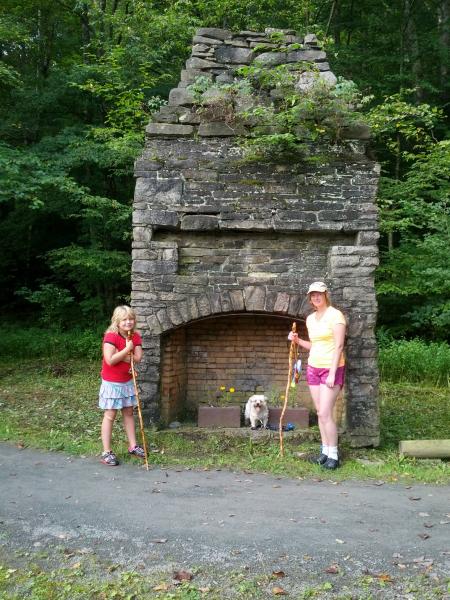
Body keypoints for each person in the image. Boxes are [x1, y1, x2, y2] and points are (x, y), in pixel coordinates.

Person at [289, 282, 346, 469]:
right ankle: (325, 452)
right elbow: (315, 345)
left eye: (319, 294)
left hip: (332, 369)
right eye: (313, 295)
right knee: (320, 413)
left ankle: (334, 455)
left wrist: (331, 373)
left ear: (325, 294)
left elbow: (338, 346)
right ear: (310, 298)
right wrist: (297, 341)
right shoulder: (310, 319)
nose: (316, 297)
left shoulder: (335, 315)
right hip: (313, 367)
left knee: (324, 412)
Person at [99, 305, 146, 466]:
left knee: (128, 412)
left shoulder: (135, 336)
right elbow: (109, 360)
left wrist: (122, 354)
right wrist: (127, 349)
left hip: (127, 381)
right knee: (110, 415)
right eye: (124, 319)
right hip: (112, 383)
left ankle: (133, 446)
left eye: (131, 319)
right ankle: (106, 452)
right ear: (117, 321)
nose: (128, 322)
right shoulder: (111, 336)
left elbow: (138, 358)